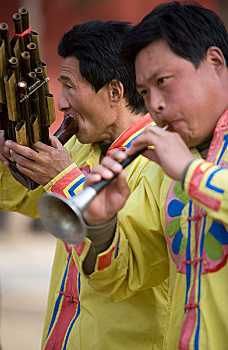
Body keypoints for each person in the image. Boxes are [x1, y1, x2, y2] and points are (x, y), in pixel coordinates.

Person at [0, 21, 171, 349]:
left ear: (115, 92)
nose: (61, 104)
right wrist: (11, 155)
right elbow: (19, 197)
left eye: (69, 86)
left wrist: (64, 180)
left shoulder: (161, 161)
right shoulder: (80, 146)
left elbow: (126, 269)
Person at [80, 2, 228, 350]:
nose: (155, 106)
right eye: (145, 93)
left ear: (216, 63)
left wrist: (191, 173)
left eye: (164, 82)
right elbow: (128, 278)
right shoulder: (170, 165)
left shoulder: (178, 165)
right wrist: (102, 228)